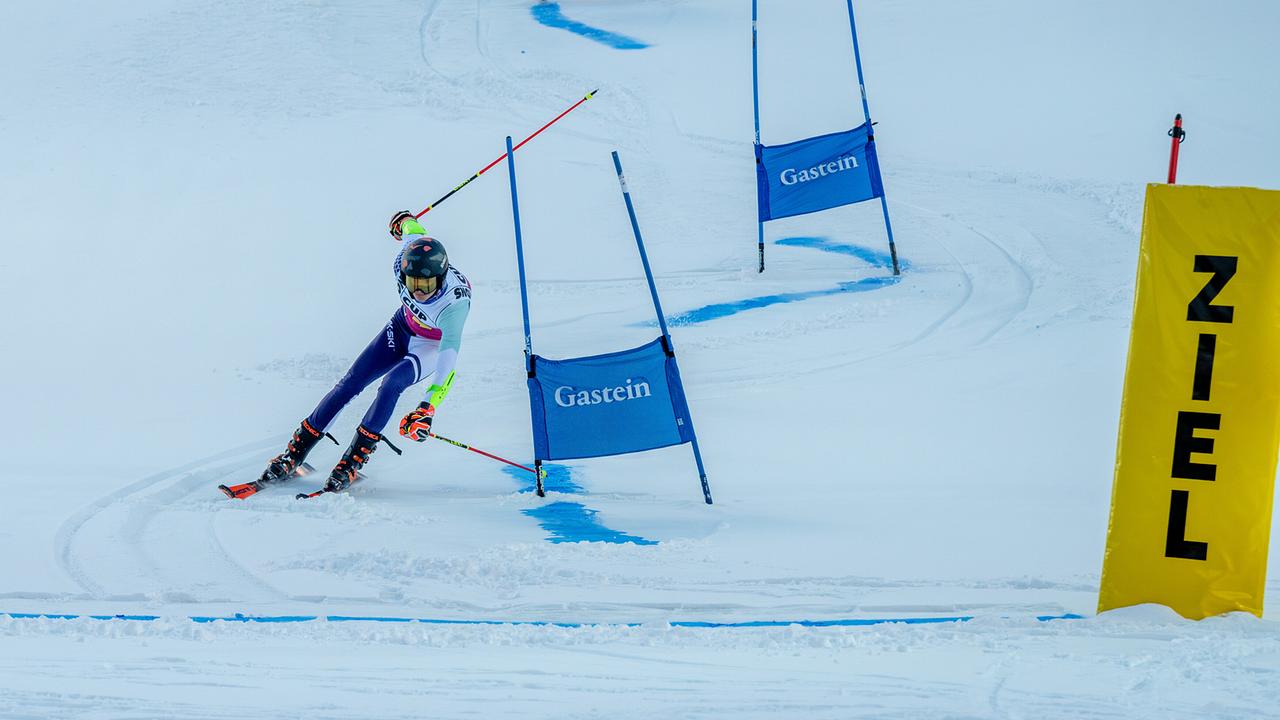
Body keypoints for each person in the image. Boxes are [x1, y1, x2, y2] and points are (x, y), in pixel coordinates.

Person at [258, 211, 472, 492]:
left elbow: (447, 364)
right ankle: (294, 454)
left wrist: (427, 407)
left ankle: (351, 462)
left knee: (391, 384)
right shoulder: (403, 259)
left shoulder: (454, 307)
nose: (418, 291)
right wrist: (403, 220)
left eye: (426, 285)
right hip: (402, 326)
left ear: (441, 278)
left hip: (430, 346)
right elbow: (413, 229)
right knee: (350, 383)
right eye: (412, 283)